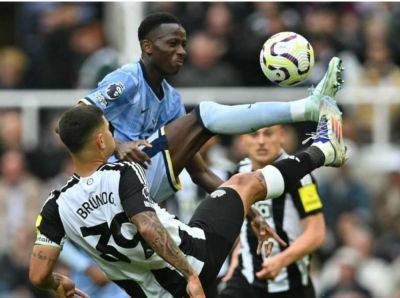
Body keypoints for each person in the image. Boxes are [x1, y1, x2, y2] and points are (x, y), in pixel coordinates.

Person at [29, 98, 346, 297]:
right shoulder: (121, 174)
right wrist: (190, 275)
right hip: (194, 259)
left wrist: (60, 287)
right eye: (109, 131)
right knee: (245, 183)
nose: (113, 136)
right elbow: (148, 227)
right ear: (101, 140)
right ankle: (324, 149)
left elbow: (38, 274)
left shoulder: (54, 206)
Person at [78, 12, 344, 204]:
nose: (182, 51)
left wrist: (244, 210)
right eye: (172, 44)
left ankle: (321, 144)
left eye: (183, 44)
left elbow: (200, 172)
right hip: (113, 183)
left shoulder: (172, 100)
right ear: (147, 47)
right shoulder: (127, 79)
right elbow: (73, 121)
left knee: (238, 180)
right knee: (205, 114)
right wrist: (117, 146)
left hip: (146, 189)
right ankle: (309, 107)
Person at [219, 125, 325, 298]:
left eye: (268, 134)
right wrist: (236, 258)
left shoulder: (300, 175)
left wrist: (281, 261)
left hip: (290, 284)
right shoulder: (239, 172)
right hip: (246, 281)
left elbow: (316, 232)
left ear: (282, 136)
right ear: (243, 139)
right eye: (254, 135)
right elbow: (241, 224)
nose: (261, 141)